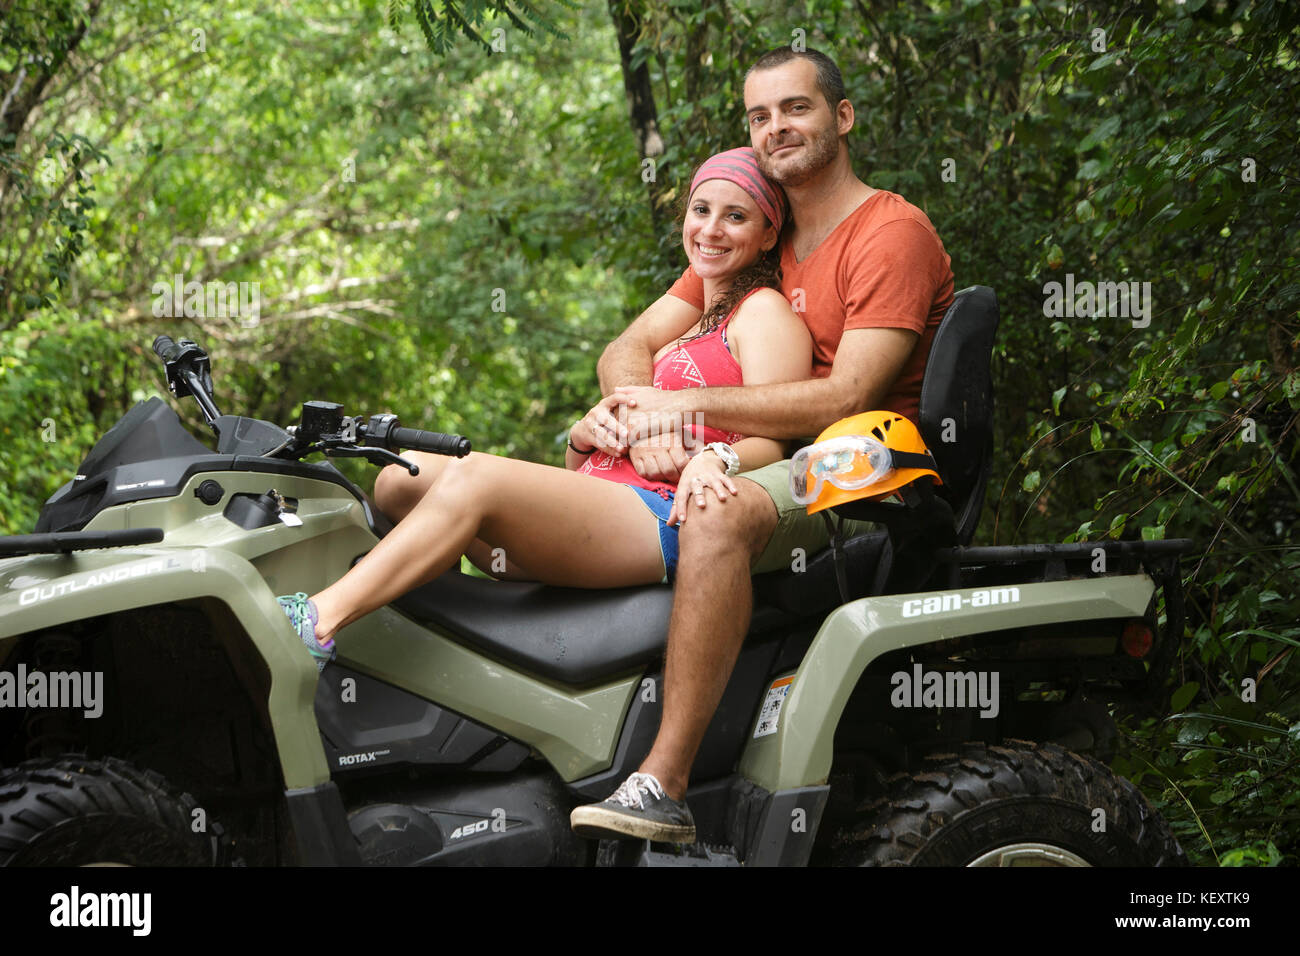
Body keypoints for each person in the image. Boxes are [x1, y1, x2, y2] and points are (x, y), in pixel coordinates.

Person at [567, 46, 956, 843]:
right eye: (759, 115)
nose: (776, 127)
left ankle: (663, 783)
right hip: (769, 451)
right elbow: (629, 346)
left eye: (796, 108)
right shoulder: (761, 229)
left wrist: (687, 407)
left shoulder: (891, 232)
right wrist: (630, 413)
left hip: (858, 468)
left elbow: (847, 396)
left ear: (842, 118)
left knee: (715, 511)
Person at [275, 148, 812, 698]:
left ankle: (314, 621)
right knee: (399, 478)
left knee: (475, 476)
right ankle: (439, 665)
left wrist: (712, 457)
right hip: (599, 506)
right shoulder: (689, 317)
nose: (711, 229)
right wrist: (585, 438)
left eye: (736, 216)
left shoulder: (766, 311)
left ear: (769, 235)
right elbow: (613, 381)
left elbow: (776, 438)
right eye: (701, 210)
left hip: (662, 514)